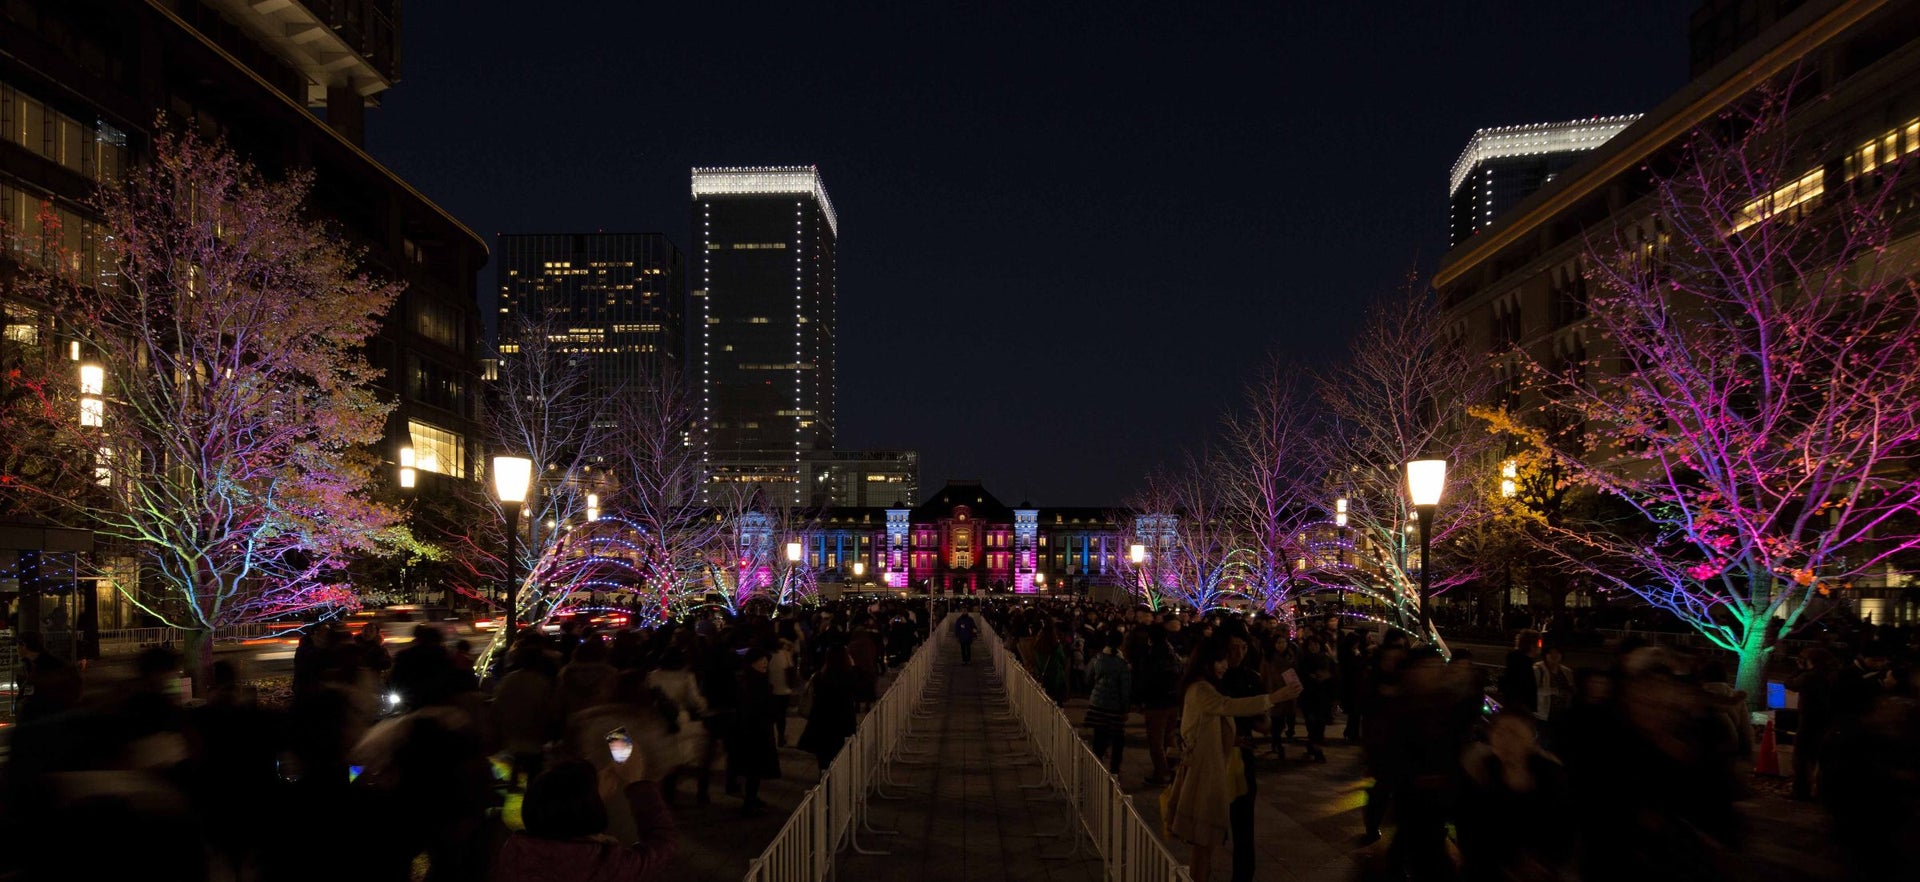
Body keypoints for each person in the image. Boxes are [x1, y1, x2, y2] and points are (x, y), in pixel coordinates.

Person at [1164, 636, 1301, 882]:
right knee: (1203, 842)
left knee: (1204, 844)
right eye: (1220, 660)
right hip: (1202, 774)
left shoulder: (1207, 686)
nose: (1225, 665)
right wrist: (1273, 698)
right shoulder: (1201, 689)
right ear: (1205, 662)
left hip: (1210, 770)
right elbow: (1228, 707)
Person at [491, 759, 678, 882]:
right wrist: (637, 784)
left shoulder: (514, 849)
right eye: (595, 784)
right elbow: (662, 843)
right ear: (585, 806)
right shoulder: (601, 864)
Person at [728, 649, 782, 816]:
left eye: (766, 659)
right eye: (761, 659)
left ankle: (752, 798)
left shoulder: (757, 680)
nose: (765, 662)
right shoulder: (750, 683)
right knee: (754, 767)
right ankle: (749, 802)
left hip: (757, 728)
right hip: (753, 730)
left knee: (755, 768)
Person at [797, 645, 860, 771]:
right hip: (842, 723)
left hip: (822, 723)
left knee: (824, 760)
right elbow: (858, 687)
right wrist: (853, 666)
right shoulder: (849, 676)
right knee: (840, 757)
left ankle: (824, 783)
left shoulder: (820, 677)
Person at [1084, 630, 1132, 774]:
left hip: (1097, 704)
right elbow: (1125, 689)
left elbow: (1087, 678)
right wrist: (1125, 709)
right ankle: (1114, 770)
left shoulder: (1097, 659)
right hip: (1115, 706)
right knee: (1118, 740)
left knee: (1099, 736)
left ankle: (1096, 768)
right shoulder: (1122, 664)